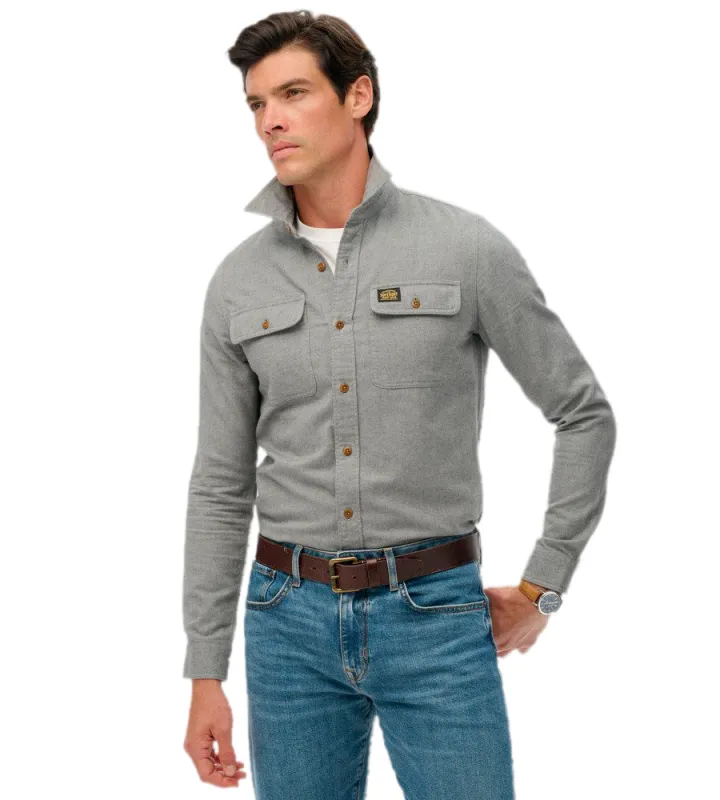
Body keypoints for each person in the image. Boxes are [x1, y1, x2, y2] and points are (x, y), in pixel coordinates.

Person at [182, 10, 617, 799]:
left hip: (436, 617)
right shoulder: (237, 283)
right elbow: (220, 484)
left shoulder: (466, 249)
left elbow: (582, 412)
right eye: (255, 103)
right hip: (285, 624)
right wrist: (205, 671)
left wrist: (541, 586)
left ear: (358, 97)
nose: (270, 119)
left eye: (292, 93)